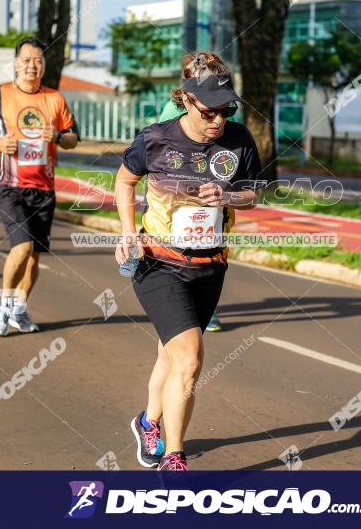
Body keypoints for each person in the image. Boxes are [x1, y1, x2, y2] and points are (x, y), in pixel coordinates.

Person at [116, 52, 262, 470]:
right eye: (210, 109)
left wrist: (229, 196)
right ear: (185, 99)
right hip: (159, 261)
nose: (219, 119)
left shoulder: (238, 139)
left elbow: (255, 193)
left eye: (227, 108)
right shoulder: (155, 139)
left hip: (210, 265)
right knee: (191, 358)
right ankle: (175, 458)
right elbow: (125, 180)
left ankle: (147, 421)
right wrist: (128, 231)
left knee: (171, 355)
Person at [0, 37, 79, 336]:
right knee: (23, 244)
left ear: (44, 65)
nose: (33, 65)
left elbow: (72, 139)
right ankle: (3, 307)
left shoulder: (55, 99)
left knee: (34, 256)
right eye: (27, 60)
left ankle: (19, 308)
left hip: (43, 188)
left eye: (38, 60)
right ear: (16, 63)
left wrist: (56, 135)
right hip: (8, 184)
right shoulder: (0, 95)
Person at [155, 54, 231, 333]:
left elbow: (228, 145)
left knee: (209, 248)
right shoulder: (168, 113)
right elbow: (157, 157)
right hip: (176, 195)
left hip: (212, 194)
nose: (217, 117)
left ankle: (206, 309)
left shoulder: (222, 108)